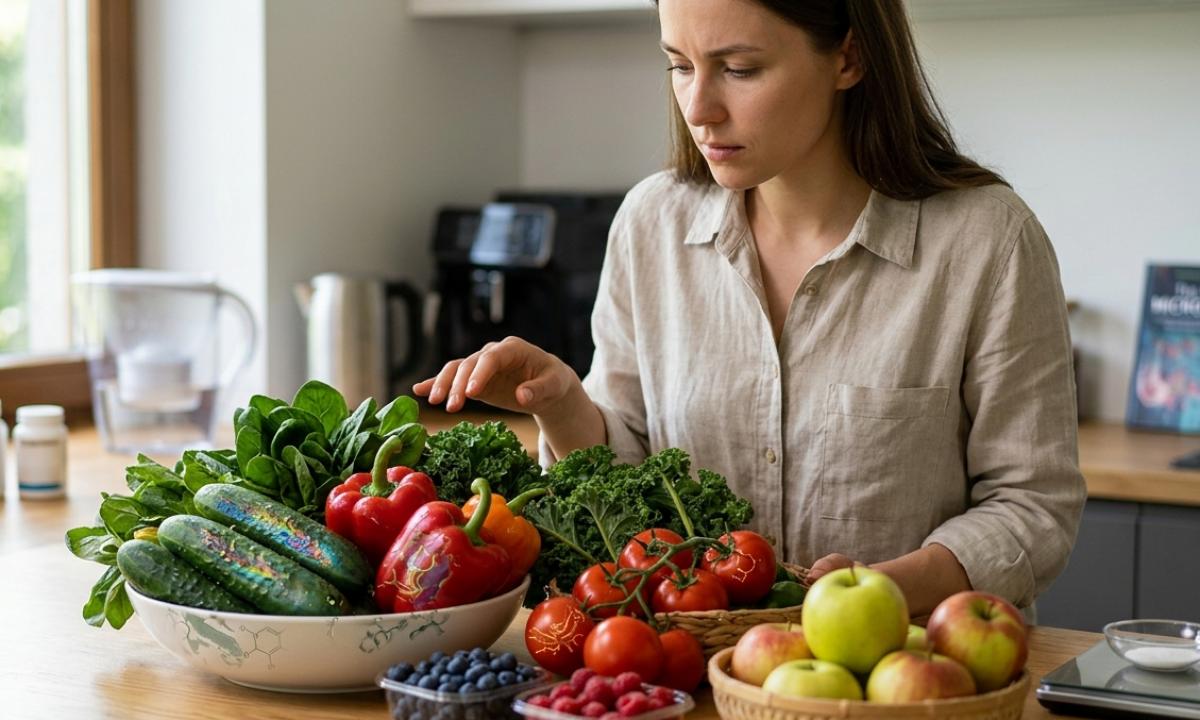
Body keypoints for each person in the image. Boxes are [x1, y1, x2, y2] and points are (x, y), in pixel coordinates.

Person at [415, 0, 1085, 619]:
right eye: (680, 66)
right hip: (689, 674)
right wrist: (561, 404)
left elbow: (1032, 505)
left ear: (849, 57)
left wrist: (881, 590)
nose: (698, 108)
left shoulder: (987, 240)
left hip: (904, 673)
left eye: (739, 69)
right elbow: (628, 489)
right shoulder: (651, 223)